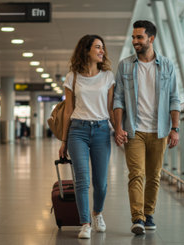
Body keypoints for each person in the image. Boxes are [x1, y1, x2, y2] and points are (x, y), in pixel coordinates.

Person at [113, 20, 181, 235]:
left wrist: (175, 128)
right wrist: (118, 128)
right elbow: (118, 100)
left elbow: (174, 98)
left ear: (151, 39)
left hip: (159, 130)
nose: (135, 41)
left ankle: (149, 213)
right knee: (136, 174)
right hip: (134, 130)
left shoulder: (168, 65)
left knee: (154, 175)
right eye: (133, 37)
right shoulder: (125, 65)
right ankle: (138, 218)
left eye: (139, 37)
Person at [59, 34, 115, 239]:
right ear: (86, 50)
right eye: (98, 47)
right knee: (81, 180)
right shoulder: (72, 77)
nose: (102, 51)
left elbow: (110, 109)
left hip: (101, 130)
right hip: (77, 131)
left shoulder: (108, 76)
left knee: (100, 182)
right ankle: (85, 223)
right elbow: (68, 110)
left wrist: (118, 131)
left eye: (103, 48)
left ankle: (97, 213)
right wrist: (63, 141)